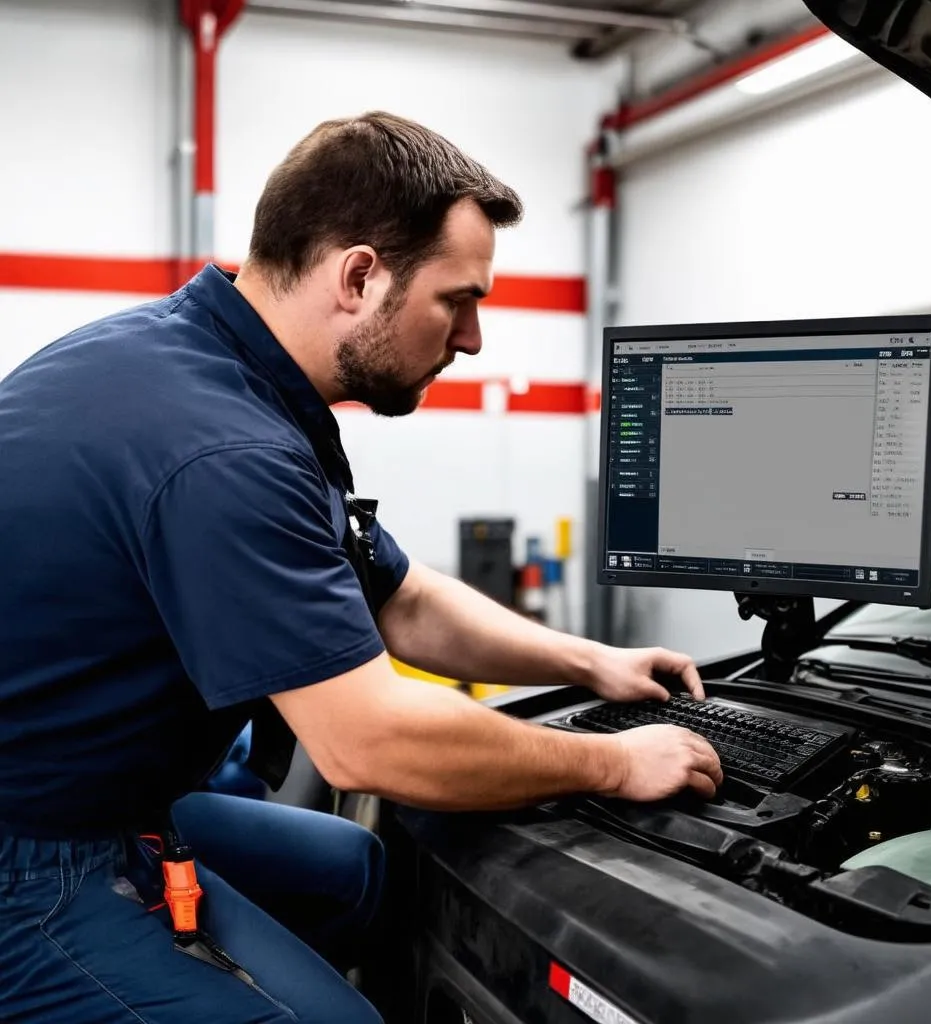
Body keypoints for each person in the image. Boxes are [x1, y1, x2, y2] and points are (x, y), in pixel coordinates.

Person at [0, 112, 722, 1023]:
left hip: (108, 806)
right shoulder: (222, 449)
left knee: (356, 871)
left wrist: (589, 663)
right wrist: (612, 765)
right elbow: (367, 741)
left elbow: (402, 597)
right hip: (32, 858)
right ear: (358, 276)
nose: (472, 340)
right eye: (456, 300)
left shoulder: (214, 364)